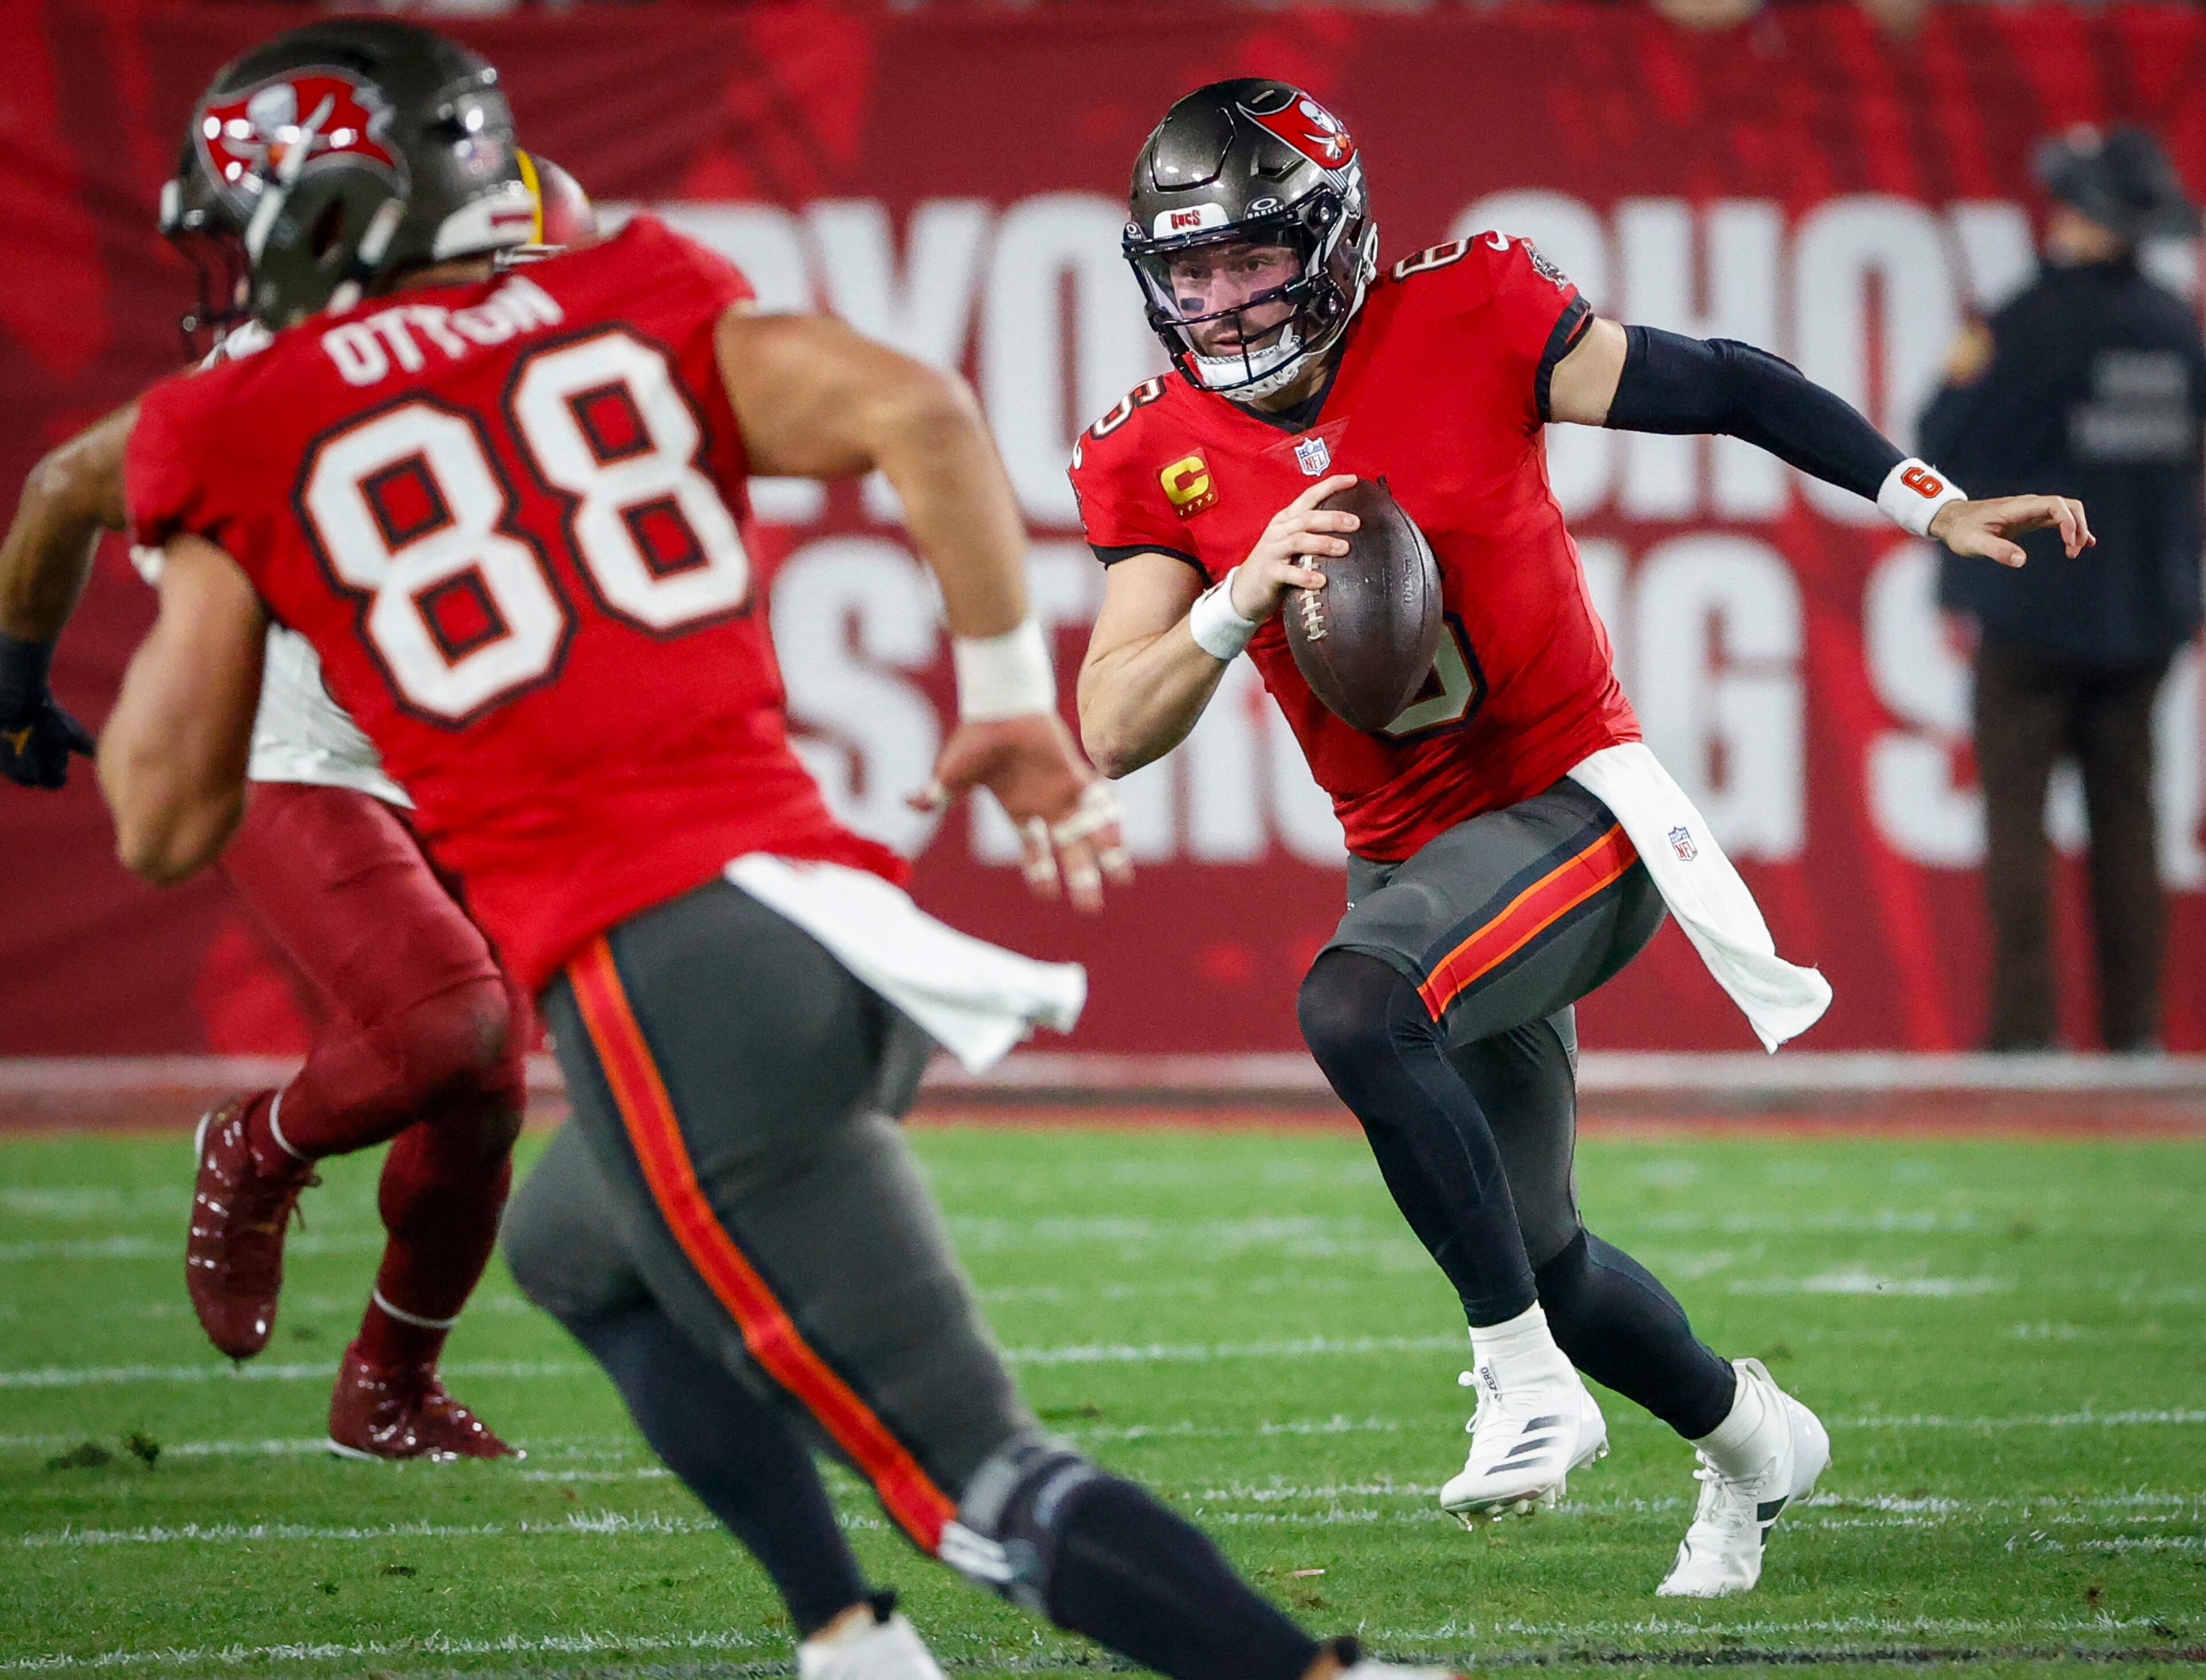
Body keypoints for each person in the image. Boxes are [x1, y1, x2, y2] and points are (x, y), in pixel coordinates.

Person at [98, 22, 1452, 1680]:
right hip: (813, 921)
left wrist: (186, 519)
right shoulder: (630, 280)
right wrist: (1008, 702)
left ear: (312, 221)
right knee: (573, 1250)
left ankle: (1329, 1677)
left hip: (667, 978)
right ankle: (846, 1634)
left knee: (979, 1481)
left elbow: (163, 821)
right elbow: (916, 405)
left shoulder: (242, 417)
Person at [1072, 79, 2092, 1596]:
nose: (1221, 301)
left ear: (1335, 241)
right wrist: (1233, 600)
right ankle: (1750, 1435)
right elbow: (1110, 722)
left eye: (1254, 259)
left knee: (1353, 1000)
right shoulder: (1156, 451)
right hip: (1418, 870)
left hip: (1579, 812)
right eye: (1194, 270)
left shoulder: (1474, 313)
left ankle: (1521, 1378)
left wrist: (1921, 497)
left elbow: (1729, 381)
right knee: (1540, 1244)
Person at [0, 69, 596, 1458]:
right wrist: (16, 680)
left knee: (486, 1089)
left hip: (443, 742)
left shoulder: (563, 376)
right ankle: (257, 1146)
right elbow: (59, 494)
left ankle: (387, 1384)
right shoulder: (265, 386)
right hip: (282, 734)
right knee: (456, 1027)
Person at [1921, 124, 2206, 1053]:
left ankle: (2024, 1041)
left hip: (2028, 613)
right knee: (2131, 823)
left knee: (2019, 825)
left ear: (2087, 217)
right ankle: (2136, 1039)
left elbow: (1943, 429)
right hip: (2145, 618)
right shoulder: (2178, 328)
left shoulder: (2025, 320)